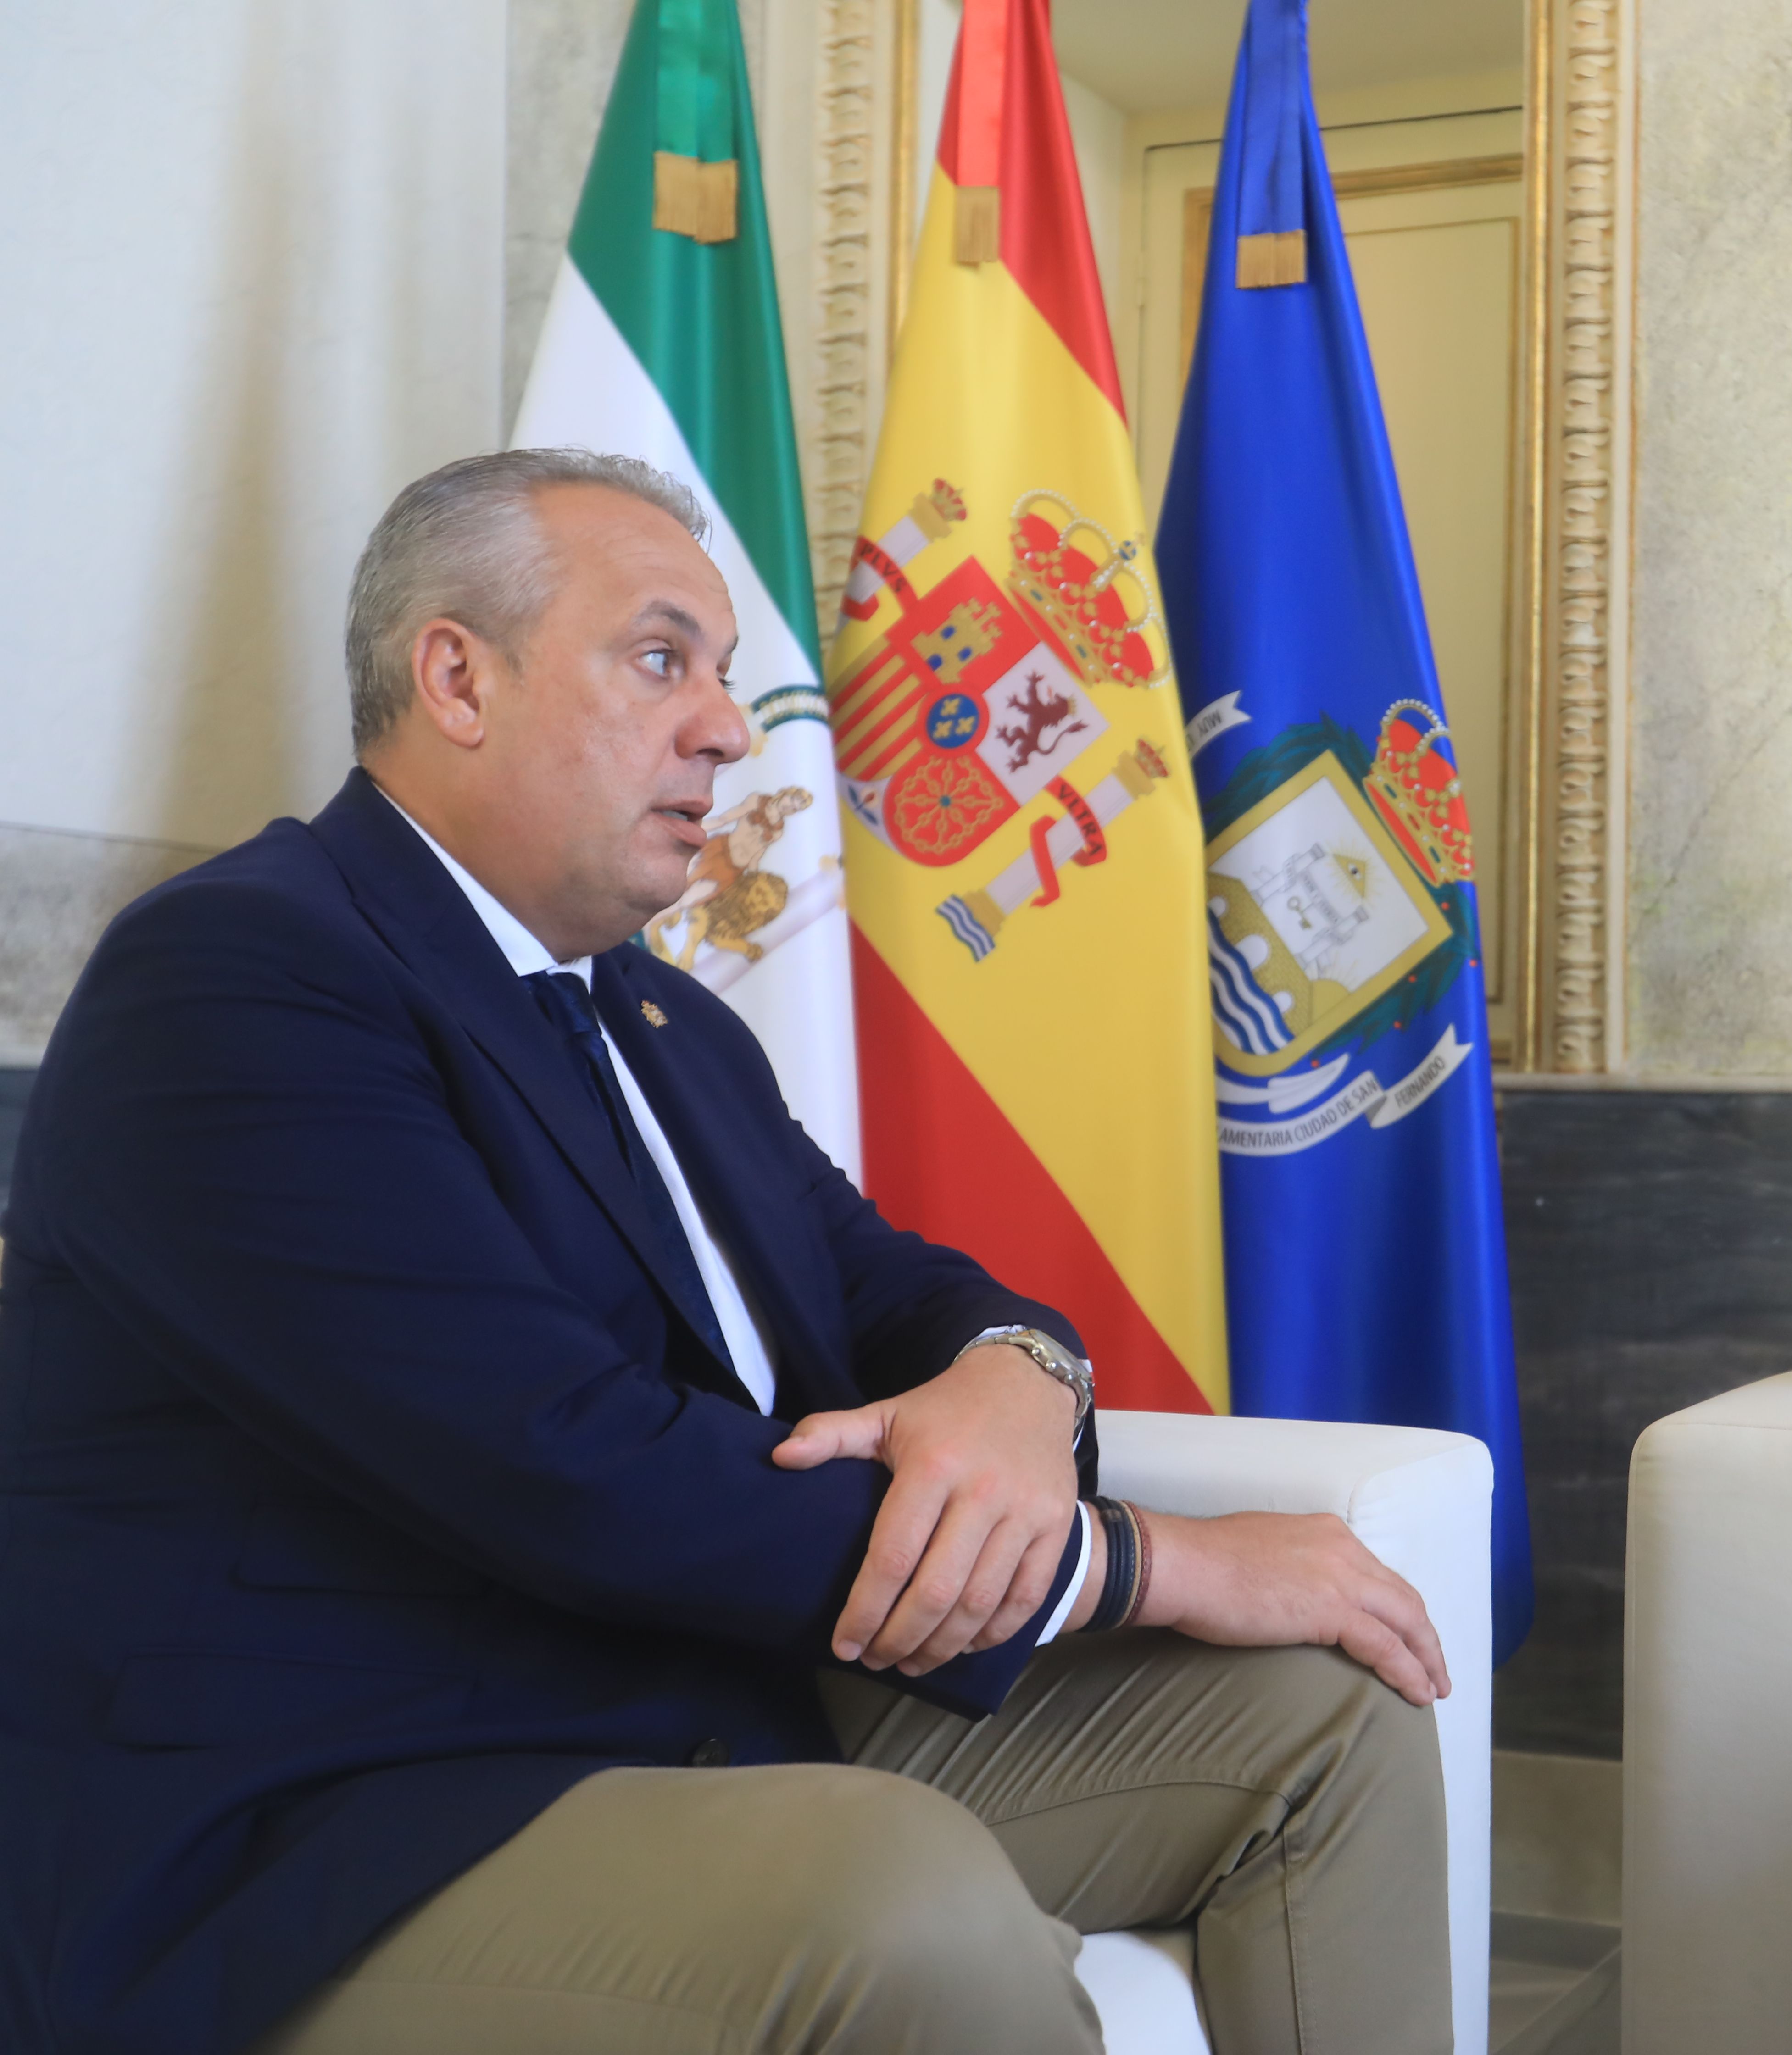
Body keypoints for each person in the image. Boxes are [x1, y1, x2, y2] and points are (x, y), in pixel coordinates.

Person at [0, 450, 1455, 2055]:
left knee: (1329, 1719)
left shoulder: (661, 1017)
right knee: (892, 1895)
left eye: (726, 676)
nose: (726, 727)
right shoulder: (239, 976)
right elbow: (569, 1466)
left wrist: (1015, 1380)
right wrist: (1146, 1561)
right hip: (338, 1812)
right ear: (455, 677)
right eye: (660, 659)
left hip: (694, 1711)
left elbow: (888, 1286)